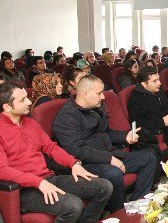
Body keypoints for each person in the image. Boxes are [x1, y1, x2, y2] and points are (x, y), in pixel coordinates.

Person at [0, 81, 113, 223]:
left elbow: (51, 147)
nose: (29, 102)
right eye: (23, 100)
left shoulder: (30, 123)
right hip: (23, 190)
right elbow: (1, 171)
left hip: (48, 178)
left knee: (104, 187)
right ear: (6, 106)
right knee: (73, 205)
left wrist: (73, 164)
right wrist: (38, 182)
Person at [53, 75, 158, 212]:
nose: (103, 97)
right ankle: (118, 212)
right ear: (85, 94)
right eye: (99, 93)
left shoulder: (96, 107)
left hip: (107, 154)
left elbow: (106, 133)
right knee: (113, 173)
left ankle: (138, 203)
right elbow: (76, 150)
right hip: (85, 164)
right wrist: (109, 159)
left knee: (149, 157)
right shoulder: (67, 116)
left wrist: (125, 136)